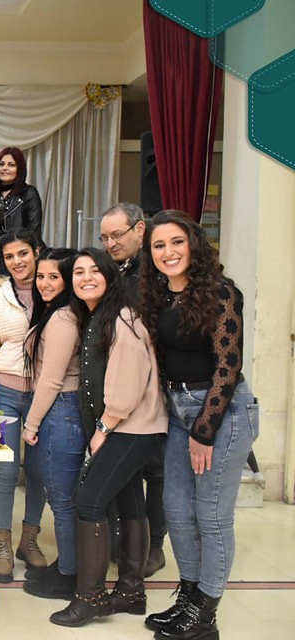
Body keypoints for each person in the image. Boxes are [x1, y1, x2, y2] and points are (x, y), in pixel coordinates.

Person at [140, 211, 257, 640]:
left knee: (211, 515)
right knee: (175, 508)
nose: (168, 252)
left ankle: (205, 615)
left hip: (219, 410)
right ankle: (188, 598)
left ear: (193, 244)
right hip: (177, 410)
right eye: (158, 245)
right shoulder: (157, 294)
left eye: (176, 242)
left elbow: (228, 366)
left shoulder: (221, 293)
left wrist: (204, 432)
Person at [49, 248, 168, 628]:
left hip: (131, 428)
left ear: (110, 276)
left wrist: (104, 428)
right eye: (78, 271)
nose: (85, 277)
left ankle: (90, 597)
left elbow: (126, 384)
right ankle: (132, 591)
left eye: (94, 271)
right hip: (125, 427)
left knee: (89, 501)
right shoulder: (98, 315)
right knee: (131, 500)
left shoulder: (124, 318)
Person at [0, 228, 48, 583]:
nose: (17, 262)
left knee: (39, 470)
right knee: (5, 469)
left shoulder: (54, 287)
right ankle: (0, 539)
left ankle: (29, 538)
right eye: (10, 256)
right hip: (6, 391)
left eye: (23, 254)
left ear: (36, 252)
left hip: (47, 395)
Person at [100, 201, 167, 577]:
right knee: (125, 469)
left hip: (156, 383)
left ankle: (154, 545)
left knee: (155, 471)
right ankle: (128, 541)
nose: (110, 243)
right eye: (105, 237)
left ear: (140, 230)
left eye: (117, 235)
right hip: (123, 381)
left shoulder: (156, 271)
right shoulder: (119, 270)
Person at [20, 248, 84, 600]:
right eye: (40, 276)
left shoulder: (62, 319)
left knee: (62, 501)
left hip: (60, 411)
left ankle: (69, 575)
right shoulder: (55, 312)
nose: (44, 283)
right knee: (61, 498)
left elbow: (51, 379)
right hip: (56, 410)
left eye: (53, 277)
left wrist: (31, 424)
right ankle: (66, 567)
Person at [0, 147, 43, 267]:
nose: (5, 168)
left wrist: (23, 254)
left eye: (11, 165)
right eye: (1, 164)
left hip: (22, 256)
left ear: (19, 169)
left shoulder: (29, 193)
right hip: (1, 256)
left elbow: (33, 230)